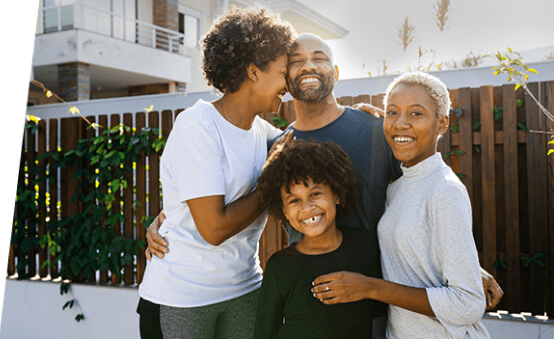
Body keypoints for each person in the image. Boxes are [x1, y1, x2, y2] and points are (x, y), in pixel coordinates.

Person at [146, 33, 503, 337]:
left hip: (385, 300)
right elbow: (213, 188)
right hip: (313, 295)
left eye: (319, 58)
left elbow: (420, 197)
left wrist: (469, 267)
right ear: (285, 79)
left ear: (335, 72)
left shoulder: (377, 132)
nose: (308, 65)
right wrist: (168, 220)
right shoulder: (276, 147)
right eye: (296, 60)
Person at [136, 6, 296, 339]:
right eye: (284, 73)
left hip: (243, 289)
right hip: (183, 298)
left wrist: (366, 115)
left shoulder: (264, 134)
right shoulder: (198, 125)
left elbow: (310, 133)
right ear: (253, 70)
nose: (289, 86)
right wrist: (270, 180)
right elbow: (213, 228)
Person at [311, 71, 491, 338]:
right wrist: (359, 116)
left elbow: (467, 304)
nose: (401, 123)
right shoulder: (398, 186)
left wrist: (370, 288)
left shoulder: (445, 191)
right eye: (393, 113)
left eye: (416, 114)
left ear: (442, 124)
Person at [253, 139, 384, 338]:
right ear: (285, 212)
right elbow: (264, 333)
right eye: (294, 200)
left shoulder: (365, 246)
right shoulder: (280, 267)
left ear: (337, 195)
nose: (307, 208)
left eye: (315, 194)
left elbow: (380, 313)